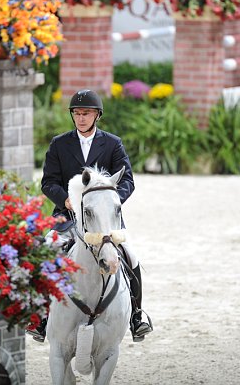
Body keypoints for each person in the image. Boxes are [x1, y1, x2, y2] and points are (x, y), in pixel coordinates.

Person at [28, 89, 153, 343]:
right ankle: (40, 318)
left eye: (86, 113)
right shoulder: (59, 144)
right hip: (67, 215)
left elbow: (127, 179)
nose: (81, 118)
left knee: (131, 255)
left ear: (97, 115)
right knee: (44, 251)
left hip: (104, 219)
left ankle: (136, 316)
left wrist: (111, 201)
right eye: (77, 113)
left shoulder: (113, 143)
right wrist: (65, 199)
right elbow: (48, 181)